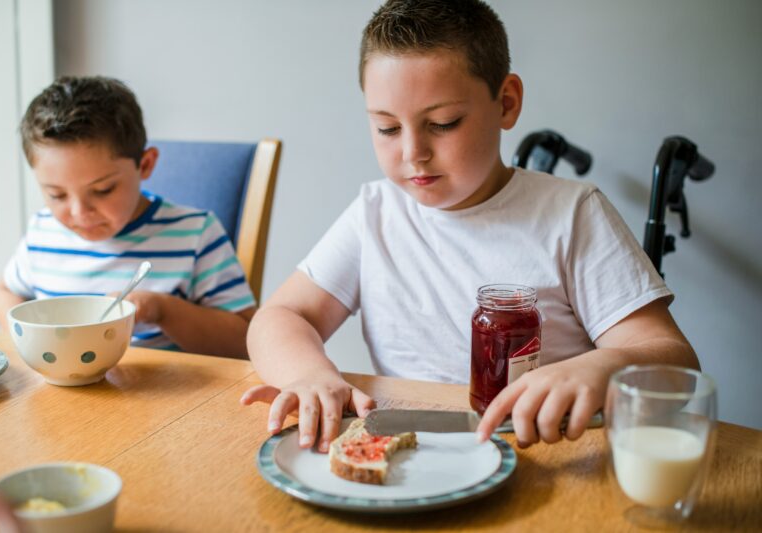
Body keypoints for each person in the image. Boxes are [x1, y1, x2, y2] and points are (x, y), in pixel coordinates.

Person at [241, 0, 699, 450]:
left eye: (443, 123)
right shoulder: (375, 213)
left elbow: (673, 359)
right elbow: (279, 317)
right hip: (415, 455)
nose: (412, 152)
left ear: (506, 103)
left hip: (542, 453)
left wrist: (605, 367)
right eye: (387, 128)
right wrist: (309, 374)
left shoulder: (572, 214)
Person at [0, 76, 255, 358]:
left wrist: (162, 310)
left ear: (145, 164)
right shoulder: (42, 231)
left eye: (103, 190)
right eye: (57, 195)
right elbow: (6, 292)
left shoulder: (196, 234)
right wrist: (27, 344)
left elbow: (245, 341)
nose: (79, 213)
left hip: (162, 395)